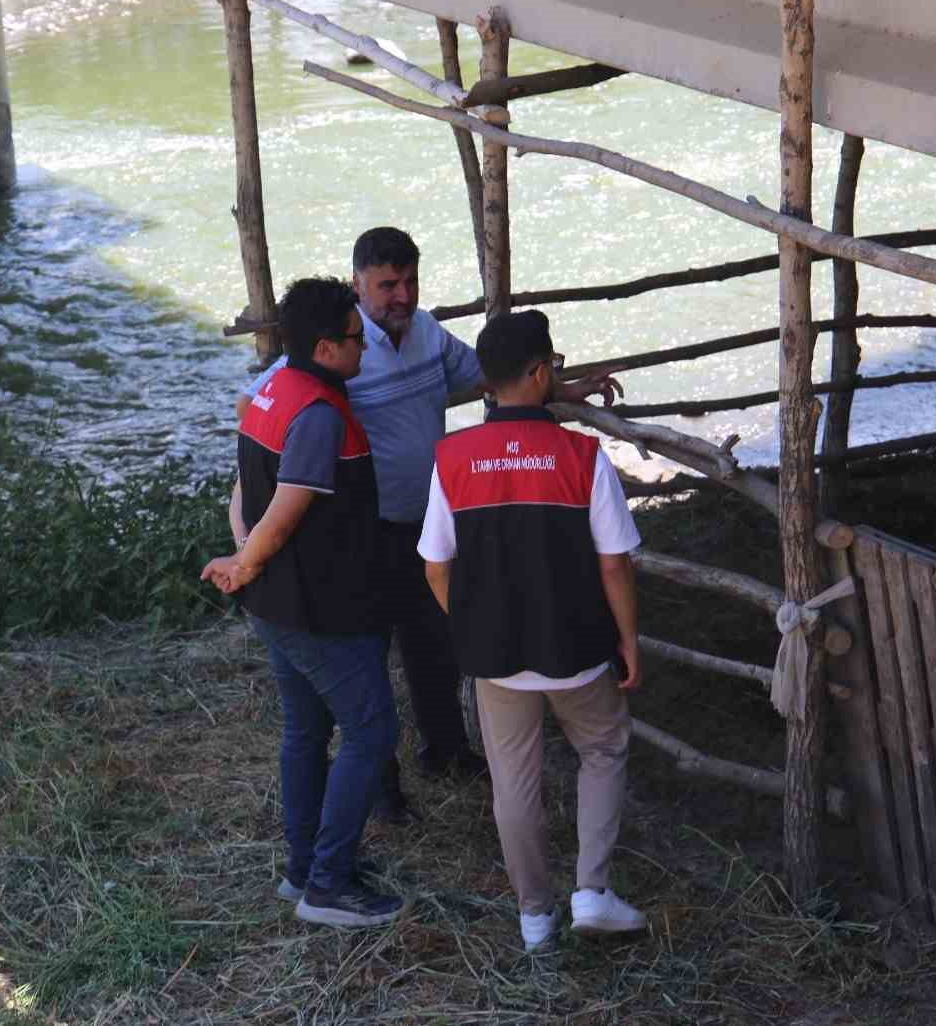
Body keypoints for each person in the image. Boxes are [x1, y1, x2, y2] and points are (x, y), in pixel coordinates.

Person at [235, 227, 622, 819]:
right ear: (359, 282)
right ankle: (384, 788)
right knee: (369, 655)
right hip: (365, 531)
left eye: (410, 280)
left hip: (429, 526)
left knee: (436, 642)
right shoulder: (336, 350)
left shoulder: (428, 333)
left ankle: (444, 749)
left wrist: (565, 387)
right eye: (387, 284)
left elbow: (495, 379)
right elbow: (258, 402)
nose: (402, 295)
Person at [417, 309, 648, 952]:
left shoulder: (452, 458)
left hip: (495, 655)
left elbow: (436, 564)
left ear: (486, 383)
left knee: (513, 781)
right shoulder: (581, 456)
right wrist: (627, 640)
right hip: (575, 646)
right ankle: (593, 890)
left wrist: (467, 622)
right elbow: (613, 564)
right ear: (542, 372)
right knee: (602, 749)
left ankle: (535, 917)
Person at [202, 276, 403, 928]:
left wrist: (243, 556)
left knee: (308, 730)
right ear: (324, 349)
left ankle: (302, 871)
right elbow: (285, 512)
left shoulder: (269, 389)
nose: (364, 349)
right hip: (319, 607)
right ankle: (329, 885)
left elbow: (244, 491)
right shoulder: (317, 414)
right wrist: (249, 560)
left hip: (277, 601)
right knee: (372, 730)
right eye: (354, 339)